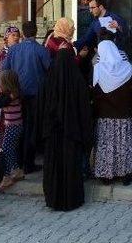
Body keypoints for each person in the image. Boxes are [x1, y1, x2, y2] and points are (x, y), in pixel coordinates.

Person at [39, 48, 92, 210]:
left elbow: (41, 109)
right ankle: (71, 199)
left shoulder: (48, 80)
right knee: (71, 166)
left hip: (52, 133)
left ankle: (53, 199)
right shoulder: (78, 81)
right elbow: (84, 110)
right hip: (72, 134)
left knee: (53, 165)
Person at [2, 21, 51, 174]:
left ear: (23, 33)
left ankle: (18, 162)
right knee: (31, 128)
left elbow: (4, 71)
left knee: (18, 127)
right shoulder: (41, 50)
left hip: (16, 96)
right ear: (36, 32)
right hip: (36, 96)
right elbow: (51, 70)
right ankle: (28, 163)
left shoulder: (13, 50)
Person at [92, 40, 132, 185]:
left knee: (106, 145)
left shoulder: (98, 69)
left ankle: (106, 175)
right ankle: (125, 174)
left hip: (105, 115)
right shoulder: (128, 68)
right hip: (124, 114)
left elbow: (95, 92)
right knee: (124, 144)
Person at [0, 70, 24, 191]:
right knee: (10, 149)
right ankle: (17, 170)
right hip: (15, 125)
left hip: (13, 126)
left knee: (6, 149)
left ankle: (7, 176)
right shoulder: (14, 93)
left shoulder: (10, 95)